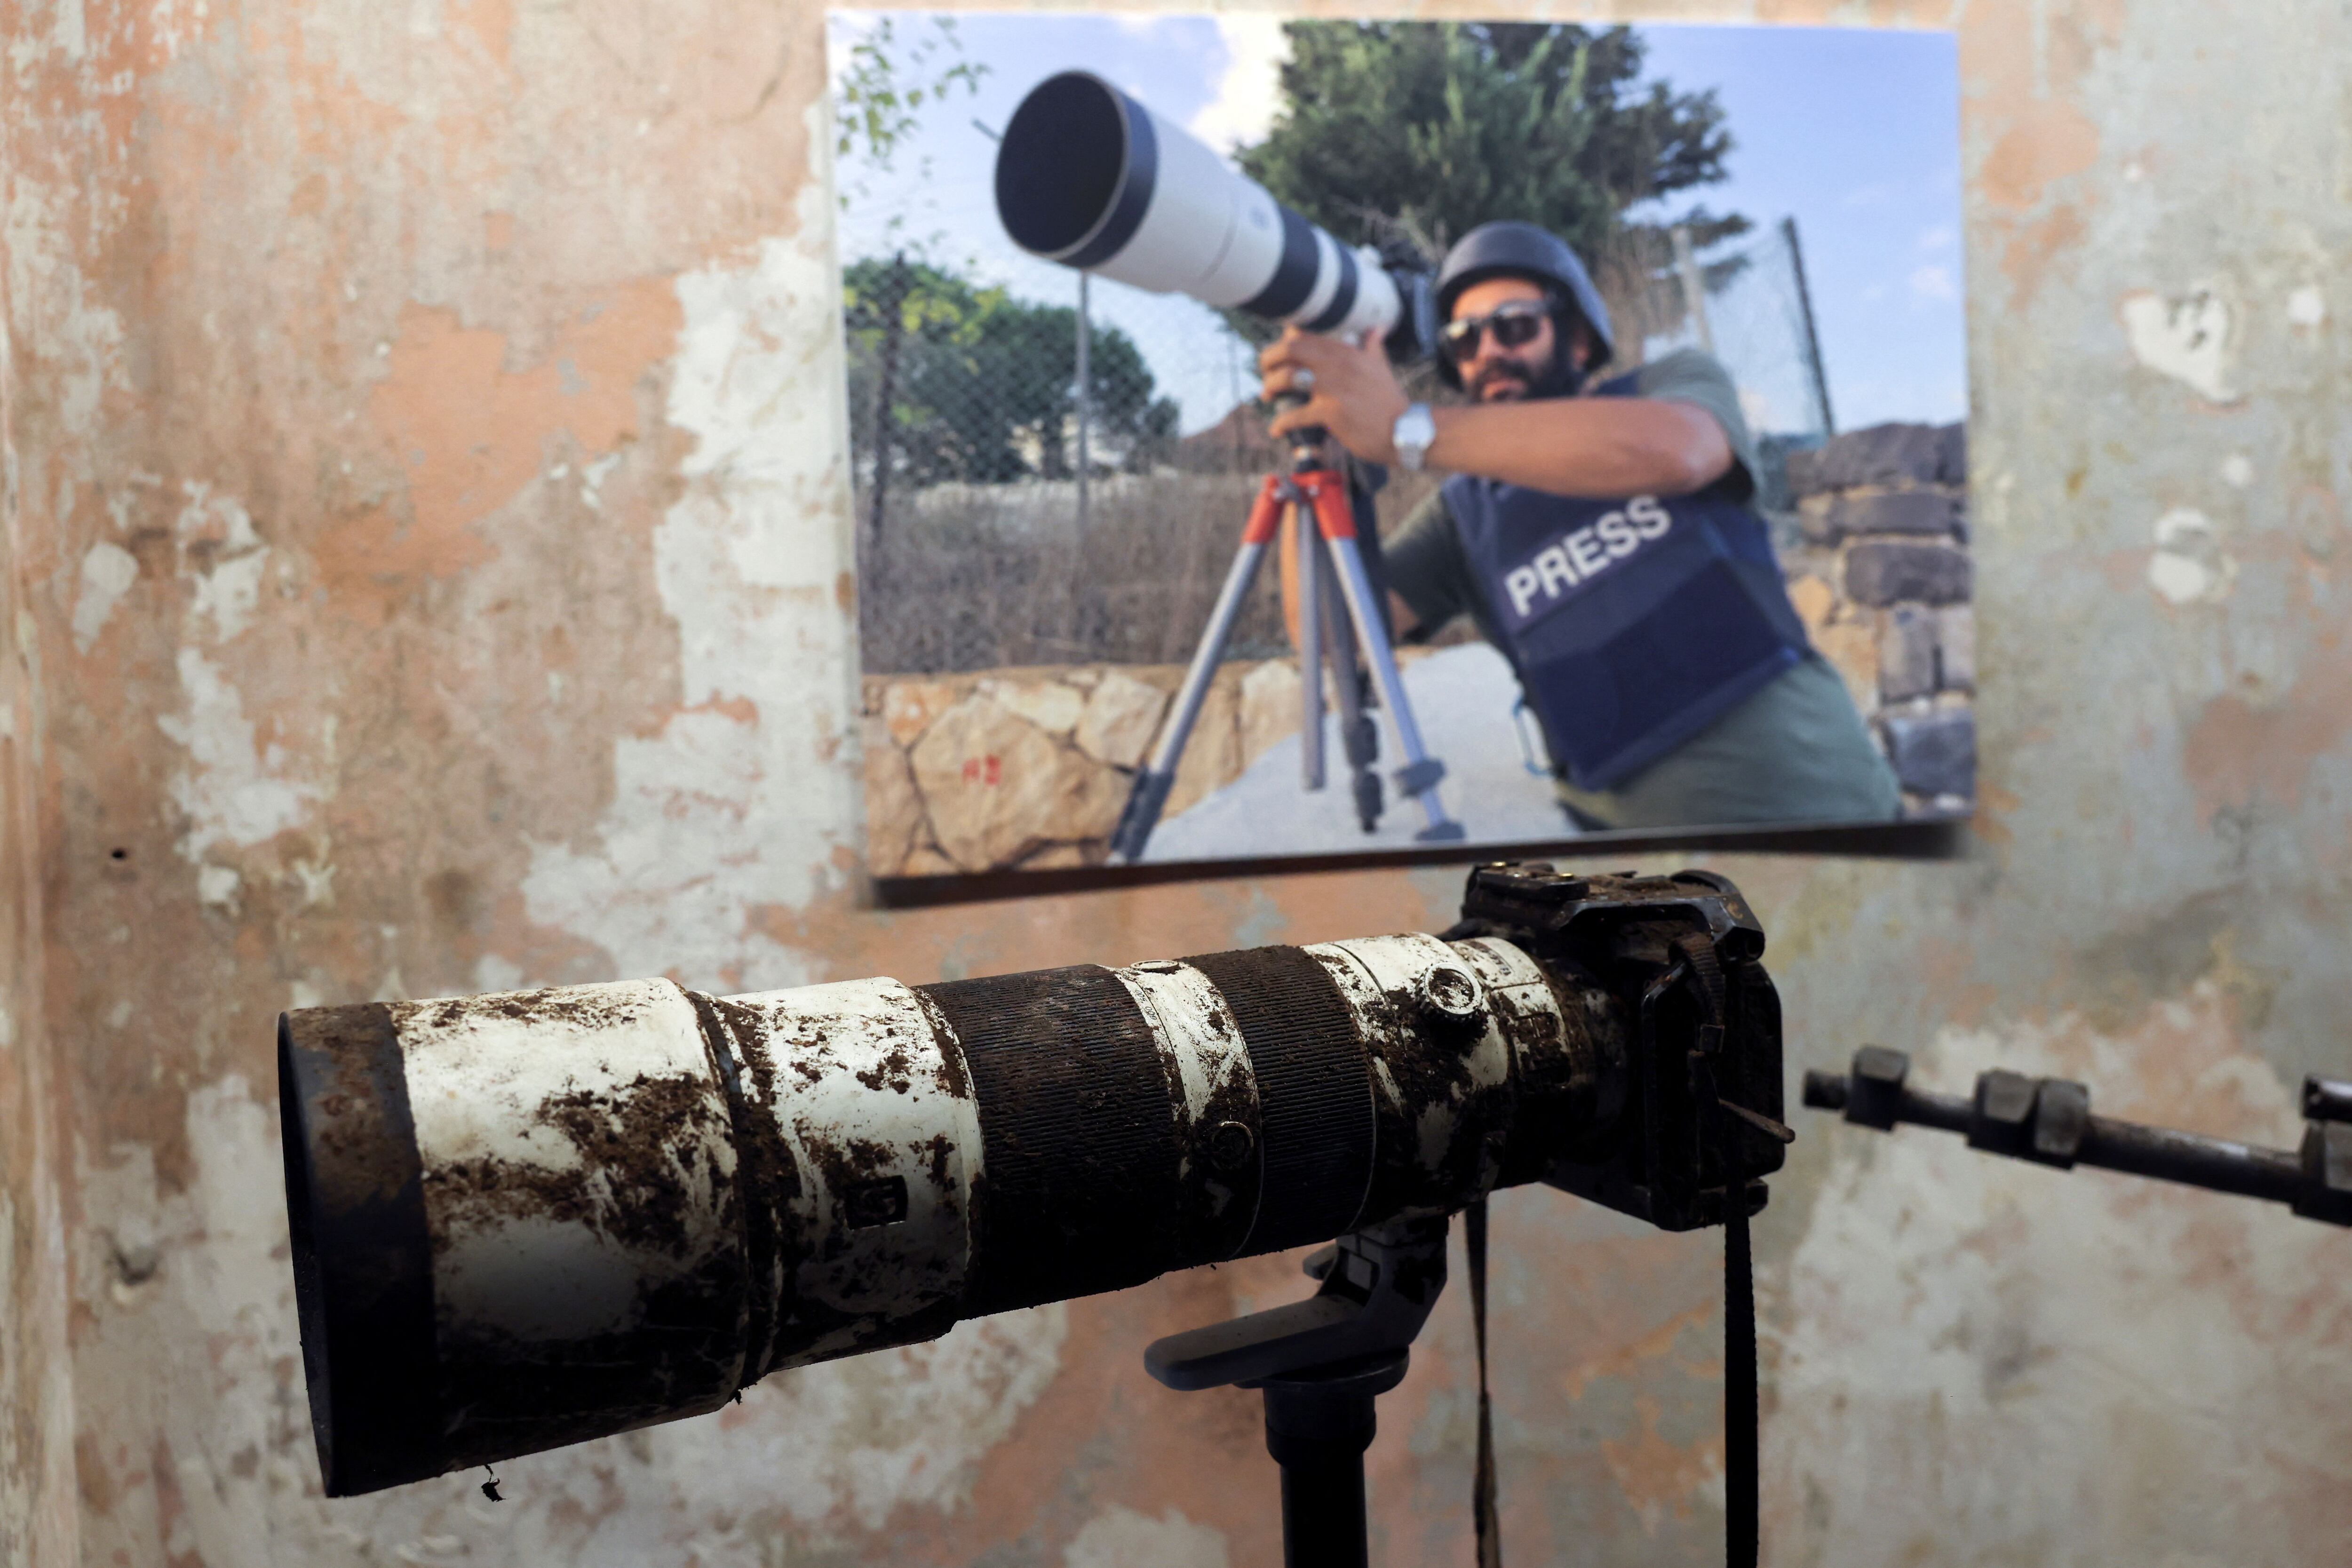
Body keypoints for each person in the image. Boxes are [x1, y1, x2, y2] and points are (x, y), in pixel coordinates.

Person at [1260, 220, 1901, 830]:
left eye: (1513, 327)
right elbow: (1327, 629)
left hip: (1825, 815)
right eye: (1464, 339)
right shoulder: (1462, 513)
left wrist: (1407, 429)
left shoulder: (1671, 385)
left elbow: (1679, 452)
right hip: (1620, 876)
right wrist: (1322, 456)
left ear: (1578, 338)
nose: (1488, 354)